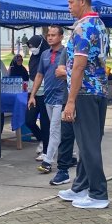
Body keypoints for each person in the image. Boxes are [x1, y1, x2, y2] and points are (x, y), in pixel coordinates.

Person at [57, 0, 110, 209]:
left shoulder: (83, 28)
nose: (68, 7)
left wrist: (70, 101)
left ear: (81, 2)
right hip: (99, 90)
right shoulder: (99, 24)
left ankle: (98, 193)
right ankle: (81, 185)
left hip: (85, 92)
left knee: (88, 145)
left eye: (70, 2)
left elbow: (78, 66)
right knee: (90, 142)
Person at [30, 26, 67, 174]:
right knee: (57, 129)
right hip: (48, 97)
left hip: (61, 97)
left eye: (53, 35)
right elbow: (39, 75)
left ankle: (48, 161)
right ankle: (68, 155)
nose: (50, 38)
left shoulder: (66, 53)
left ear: (61, 37)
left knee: (54, 130)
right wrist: (32, 95)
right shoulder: (45, 54)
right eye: (48, 35)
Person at [50, 47, 80, 185]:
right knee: (66, 135)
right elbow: (58, 72)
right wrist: (76, 73)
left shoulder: (91, 44)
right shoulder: (68, 50)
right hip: (67, 100)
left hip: (87, 98)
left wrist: (71, 73)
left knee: (86, 139)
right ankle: (63, 171)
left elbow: (88, 73)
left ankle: (84, 176)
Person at [25, 35, 50, 159]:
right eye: (30, 47)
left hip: (45, 93)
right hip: (33, 93)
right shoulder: (33, 57)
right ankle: (42, 139)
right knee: (29, 120)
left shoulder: (47, 56)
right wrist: (31, 93)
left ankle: (46, 151)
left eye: (34, 47)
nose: (32, 49)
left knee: (45, 123)